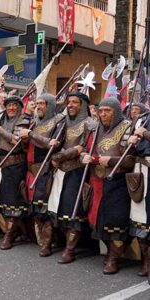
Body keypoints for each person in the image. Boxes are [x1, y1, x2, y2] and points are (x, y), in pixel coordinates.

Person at [81, 97, 134, 275]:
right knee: (99, 220)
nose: (103, 114)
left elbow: (130, 160)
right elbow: (84, 149)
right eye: (101, 110)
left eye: (107, 111)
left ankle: (114, 258)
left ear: (116, 111)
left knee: (116, 221)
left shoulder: (127, 127)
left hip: (117, 181)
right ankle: (109, 252)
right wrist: (85, 157)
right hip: (97, 180)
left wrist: (110, 160)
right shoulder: (96, 129)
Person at [48, 92, 96, 264]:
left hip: (77, 171)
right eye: (69, 102)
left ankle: (70, 250)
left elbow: (84, 147)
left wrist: (64, 154)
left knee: (73, 212)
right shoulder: (63, 123)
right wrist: (54, 145)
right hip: (60, 171)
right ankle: (62, 243)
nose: (71, 105)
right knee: (59, 210)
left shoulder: (89, 124)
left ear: (83, 105)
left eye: (75, 102)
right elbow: (58, 142)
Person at [18, 93, 64, 257]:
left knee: (44, 208)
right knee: (35, 207)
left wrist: (30, 135)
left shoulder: (58, 121)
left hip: (46, 169)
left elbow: (51, 144)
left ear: (50, 105)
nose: (38, 106)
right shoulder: (35, 122)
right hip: (31, 170)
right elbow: (28, 145)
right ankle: (42, 240)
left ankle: (47, 244)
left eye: (42, 103)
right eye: (37, 103)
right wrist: (24, 140)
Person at [0, 95, 30, 250]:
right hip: (2, 165)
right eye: (8, 105)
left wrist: (1, 131)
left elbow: (17, 141)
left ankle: (9, 236)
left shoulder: (23, 120)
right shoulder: (2, 119)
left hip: (16, 166)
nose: (11, 108)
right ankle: (20, 232)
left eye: (14, 105)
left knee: (13, 203)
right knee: (3, 201)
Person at [127, 109, 150, 283]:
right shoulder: (142, 119)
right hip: (139, 171)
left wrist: (146, 134)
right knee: (139, 220)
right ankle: (146, 262)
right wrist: (131, 142)